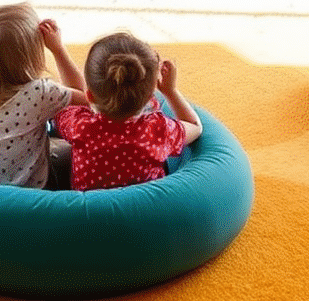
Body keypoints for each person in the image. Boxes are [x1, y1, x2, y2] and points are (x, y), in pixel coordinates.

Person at [55, 31, 202, 191]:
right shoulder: (158, 129)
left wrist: (58, 49)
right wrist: (170, 92)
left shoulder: (80, 126)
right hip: (143, 211)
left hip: (91, 210)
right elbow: (195, 126)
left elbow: (70, 95)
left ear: (89, 95)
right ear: (149, 97)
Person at [0, 3, 87, 188]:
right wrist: (58, 49)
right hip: (29, 192)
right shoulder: (40, 92)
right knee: (73, 152)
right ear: (31, 55)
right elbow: (83, 98)